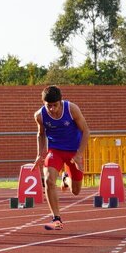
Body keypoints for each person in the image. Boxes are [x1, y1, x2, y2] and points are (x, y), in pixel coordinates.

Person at [33, 85, 90, 231]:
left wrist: (79, 154)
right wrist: (40, 153)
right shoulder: (40, 115)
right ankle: (56, 218)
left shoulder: (71, 109)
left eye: (55, 105)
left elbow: (86, 131)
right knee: (48, 180)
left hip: (73, 152)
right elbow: (41, 134)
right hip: (55, 150)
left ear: (60, 101)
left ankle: (65, 179)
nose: (52, 109)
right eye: (48, 106)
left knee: (76, 191)